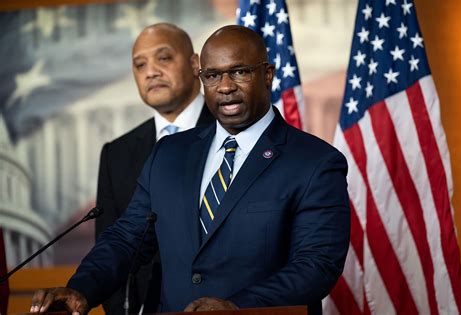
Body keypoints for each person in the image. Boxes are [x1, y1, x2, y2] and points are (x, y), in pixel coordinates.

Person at [30, 25, 350, 315]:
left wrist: (238, 306)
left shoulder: (315, 162)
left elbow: (316, 265)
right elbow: (127, 239)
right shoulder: (169, 154)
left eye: (239, 72)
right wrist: (81, 288)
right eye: (212, 76)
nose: (225, 86)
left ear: (267, 74)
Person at [95, 23, 214, 314]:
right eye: (140, 64)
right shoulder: (116, 154)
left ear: (195, 63)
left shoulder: (234, 130)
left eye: (163, 58)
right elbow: (111, 245)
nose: (151, 71)